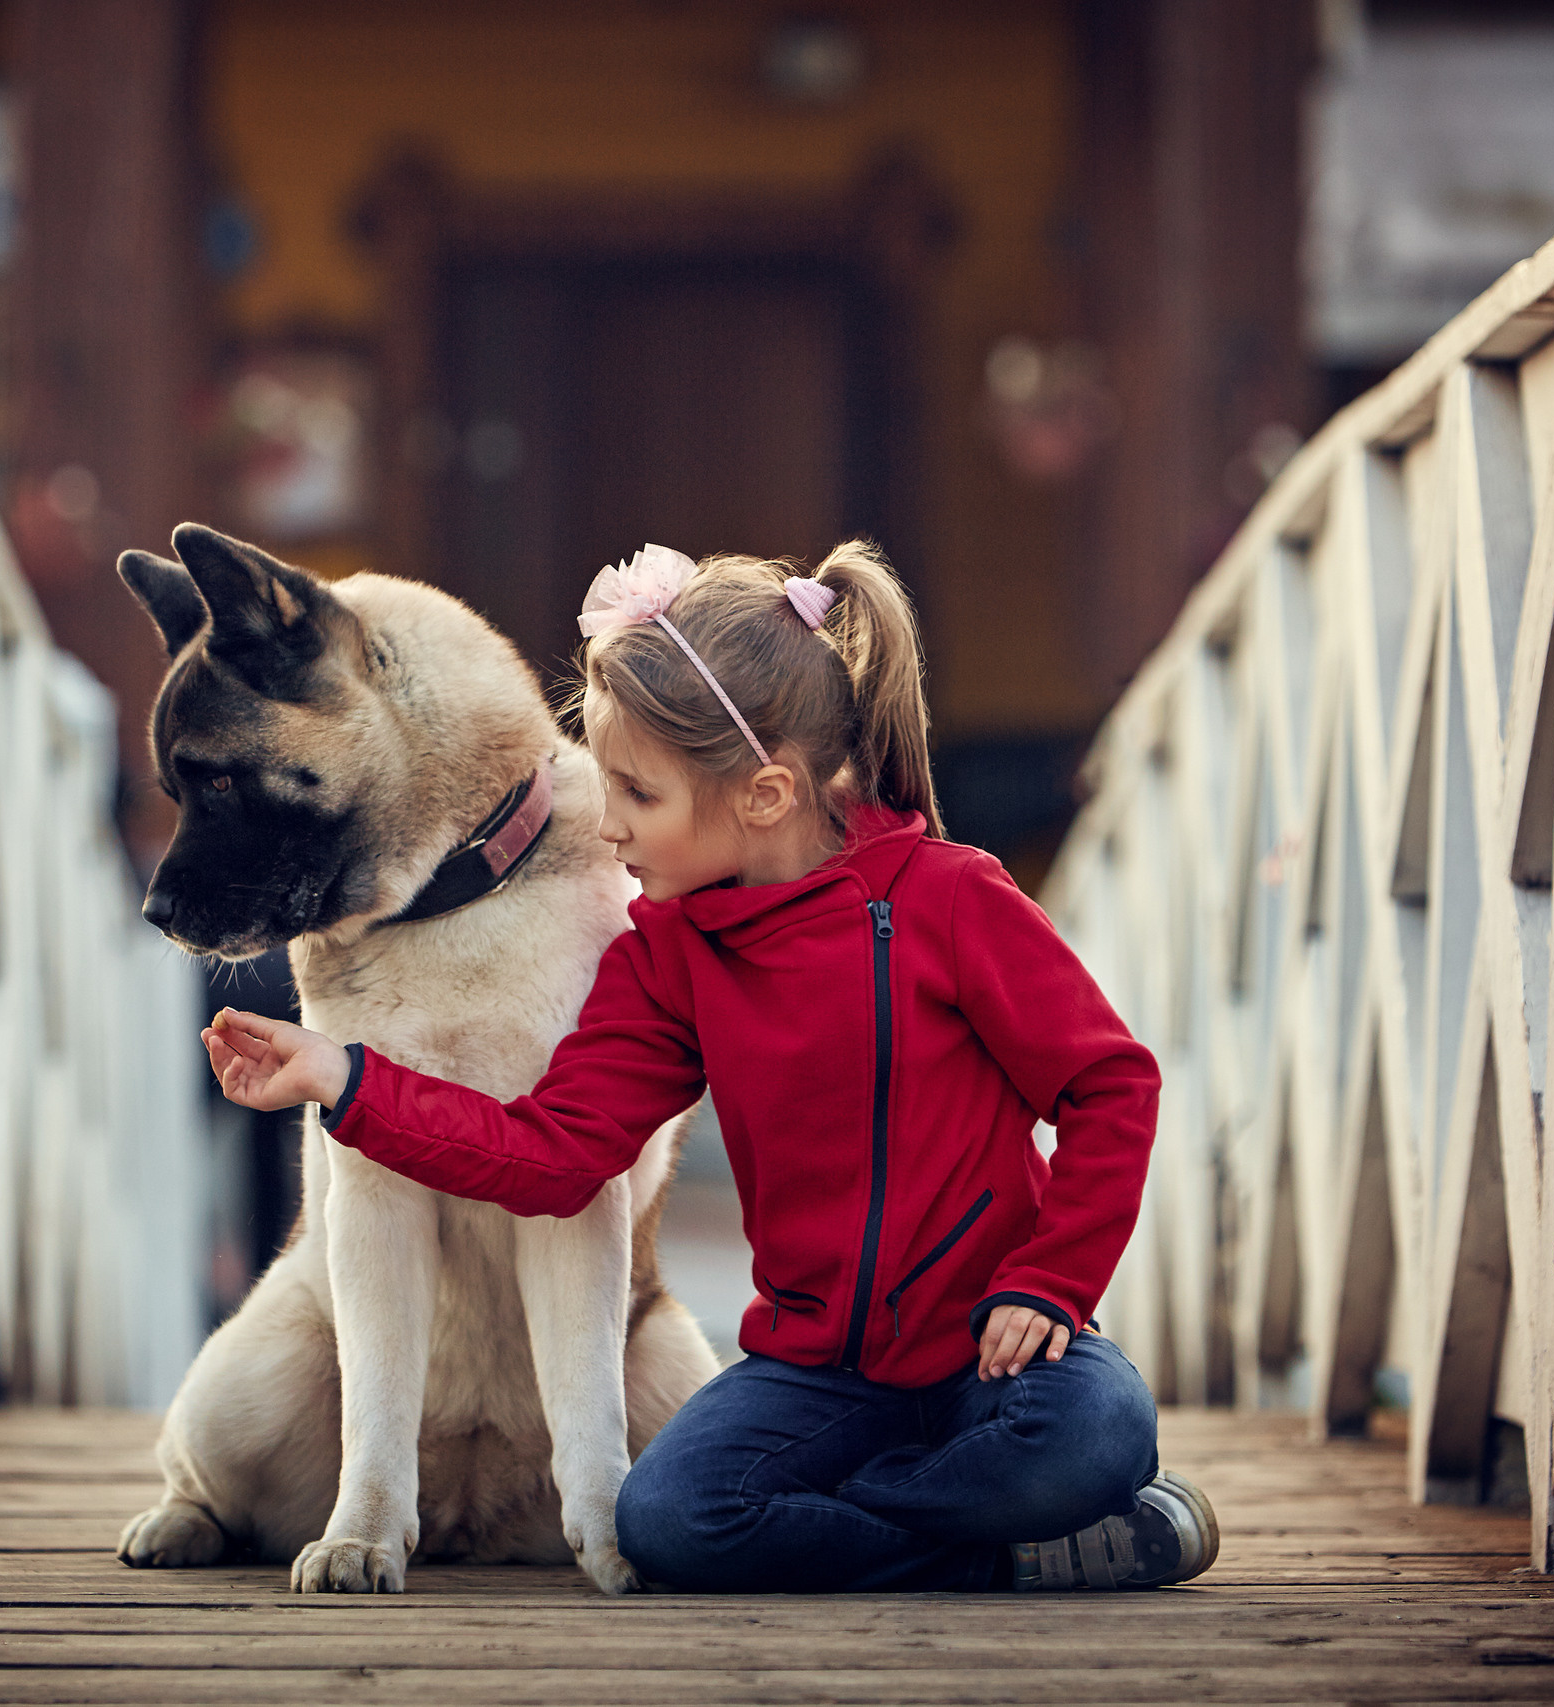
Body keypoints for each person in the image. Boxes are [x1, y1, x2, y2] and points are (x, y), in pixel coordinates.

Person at [201, 540, 1217, 1594]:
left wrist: (1050, 1284)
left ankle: (935, 1515)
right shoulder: (666, 961)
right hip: (815, 1381)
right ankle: (1007, 1546)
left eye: (635, 793)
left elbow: (1110, 1087)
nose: (604, 821)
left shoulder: (953, 901)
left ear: (764, 795)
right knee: (669, 1520)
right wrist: (343, 1080)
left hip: (994, 1354)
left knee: (1099, 1431)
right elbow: (556, 1158)